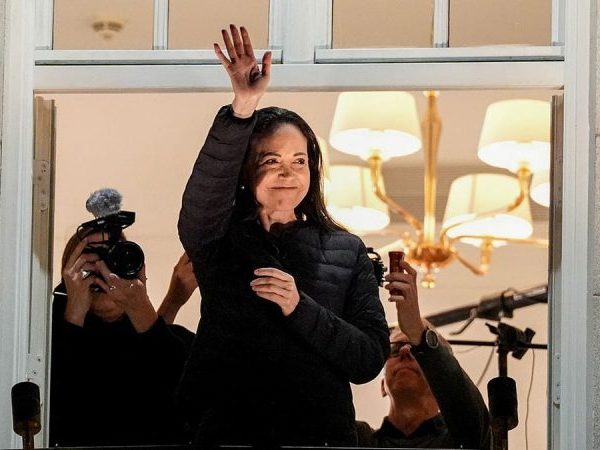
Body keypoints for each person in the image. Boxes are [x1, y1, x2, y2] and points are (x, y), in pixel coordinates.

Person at [177, 24, 390, 447]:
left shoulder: (347, 250)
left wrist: (300, 307)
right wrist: (243, 107)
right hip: (228, 435)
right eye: (271, 160)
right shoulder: (217, 238)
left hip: (319, 438)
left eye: (299, 161)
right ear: (245, 170)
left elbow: (367, 359)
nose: (287, 172)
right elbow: (204, 196)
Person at [49, 226, 197, 447]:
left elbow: (184, 399)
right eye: (90, 260)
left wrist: (142, 308)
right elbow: (56, 407)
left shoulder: (171, 342)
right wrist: (73, 312)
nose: (103, 271)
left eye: (113, 259)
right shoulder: (39, 344)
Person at [356, 258, 491, 449]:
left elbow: (471, 420)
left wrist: (418, 331)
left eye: (415, 348)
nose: (405, 350)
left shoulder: (461, 440)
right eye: (395, 348)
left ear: (439, 382)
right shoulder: (359, 441)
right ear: (382, 386)